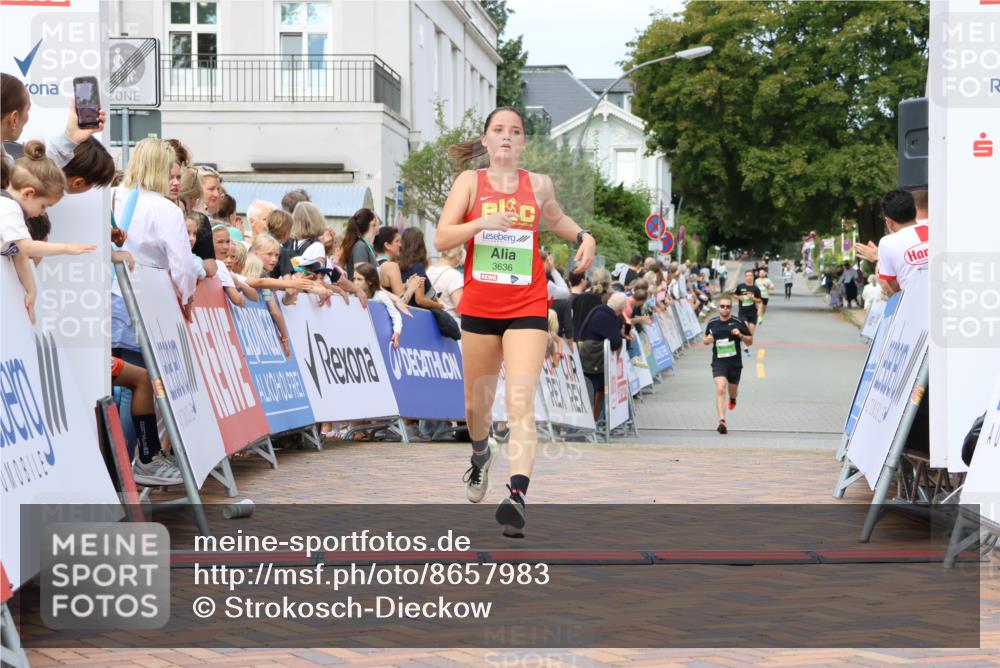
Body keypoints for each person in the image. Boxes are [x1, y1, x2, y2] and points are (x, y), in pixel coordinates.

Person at [434, 106, 596, 538]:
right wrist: (482, 222)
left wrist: (584, 236)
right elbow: (442, 236)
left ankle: (517, 496)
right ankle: (480, 454)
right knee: (476, 407)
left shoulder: (538, 184)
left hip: (527, 305)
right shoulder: (470, 182)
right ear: (485, 141)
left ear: (524, 142)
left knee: (521, 403)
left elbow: (557, 220)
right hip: (481, 308)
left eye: (516, 131)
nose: (507, 137)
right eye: (498, 130)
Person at [111, 138, 200, 486]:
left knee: (116, 387)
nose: (175, 182)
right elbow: (182, 267)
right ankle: (135, 465)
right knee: (138, 385)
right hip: (144, 304)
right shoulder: (166, 210)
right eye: (172, 174)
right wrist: (187, 295)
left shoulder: (113, 196)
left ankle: (119, 469)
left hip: (104, 300)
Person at [2, 142, 96, 323]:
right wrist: (66, 248)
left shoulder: (11, 209)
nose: (43, 212)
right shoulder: (8, 208)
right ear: (28, 194)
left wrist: (31, 290)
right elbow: (27, 248)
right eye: (44, 205)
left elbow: (20, 254)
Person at [703, 296, 753, 435]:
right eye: (722, 306)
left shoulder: (738, 322)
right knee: (720, 388)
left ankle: (733, 399)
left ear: (731, 308)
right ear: (719, 308)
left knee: (732, 390)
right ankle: (722, 421)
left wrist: (741, 335)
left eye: (728, 307)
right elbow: (705, 339)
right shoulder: (712, 322)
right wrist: (708, 340)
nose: (725, 309)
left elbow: (750, 342)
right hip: (719, 362)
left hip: (735, 364)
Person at [577, 291, 627, 422]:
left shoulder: (600, 309)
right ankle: (591, 422)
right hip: (594, 360)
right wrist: (621, 333)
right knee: (595, 391)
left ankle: (592, 421)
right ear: (621, 309)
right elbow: (616, 342)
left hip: (588, 355)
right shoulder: (609, 317)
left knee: (593, 391)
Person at [876, 188, 927, 297]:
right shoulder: (934, 229)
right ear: (915, 211)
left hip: (913, 303)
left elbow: (895, 286)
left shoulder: (887, 243)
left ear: (888, 221)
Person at [354, 262, 403, 349]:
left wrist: (396, 332)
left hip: (376, 341)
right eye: (354, 279)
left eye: (359, 279)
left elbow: (395, 315)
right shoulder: (352, 296)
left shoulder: (380, 295)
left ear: (370, 282)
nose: (355, 282)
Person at [398, 227, 444, 311]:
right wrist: (439, 305)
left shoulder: (397, 266)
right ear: (420, 245)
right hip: (419, 313)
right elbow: (420, 299)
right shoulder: (417, 267)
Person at [338, 207, 379, 280]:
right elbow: (361, 280)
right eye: (378, 219)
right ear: (374, 221)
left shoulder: (365, 246)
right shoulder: (360, 246)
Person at [427, 246, 465, 322]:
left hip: (432, 321)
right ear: (458, 256)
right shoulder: (454, 275)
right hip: (450, 324)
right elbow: (460, 311)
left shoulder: (429, 270)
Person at [732, 270, 762, 356]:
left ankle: (745, 346)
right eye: (747, 276)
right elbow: (734, 295)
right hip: (743, 312)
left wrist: (753, 298)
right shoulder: (740, 286)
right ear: (745, 277)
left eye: (751, 276)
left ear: (753, 277)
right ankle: (741, 345)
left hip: (752, 312)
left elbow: (759, 301)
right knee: (744, 327)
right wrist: (739, 297)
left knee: (750, 333)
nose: (749, 277)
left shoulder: (756, 289)